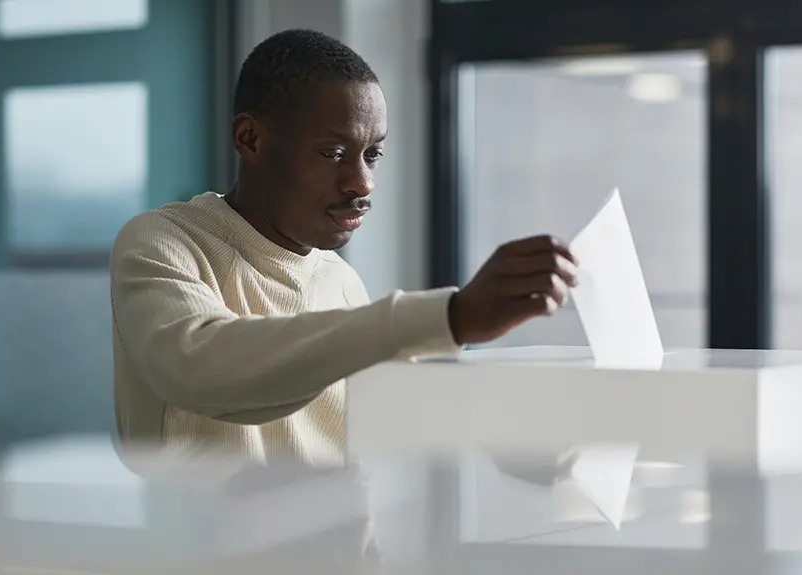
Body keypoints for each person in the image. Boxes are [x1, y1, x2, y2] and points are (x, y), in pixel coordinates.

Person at [109, 29, 578, 475]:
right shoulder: (163, 241)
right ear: (251, 139)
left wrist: (502, 442)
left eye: (372, 154)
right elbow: (201, 367)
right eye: (333, 153)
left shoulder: (340, 282)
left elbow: (394, 425)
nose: (363, 183)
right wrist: (451, 315)